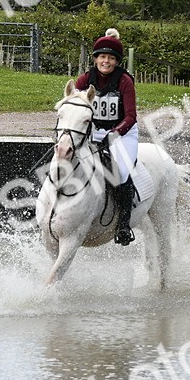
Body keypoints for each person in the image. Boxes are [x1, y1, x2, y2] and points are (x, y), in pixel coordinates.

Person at [73, 28, 138, 246]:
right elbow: (74, 107)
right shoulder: (84, 80)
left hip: (122, 133)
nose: (106, 61)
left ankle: (123, 225)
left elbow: (130, 116)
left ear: (117, 61)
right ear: (95, 59)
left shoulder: (125, 81)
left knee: (119, 172)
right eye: (102, 57)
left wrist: (114, 133)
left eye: (111, 58)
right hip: (93, 131)